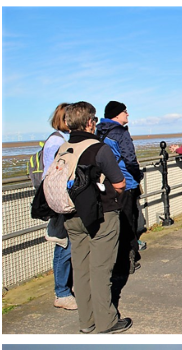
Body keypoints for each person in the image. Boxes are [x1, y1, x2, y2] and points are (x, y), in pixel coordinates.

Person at [62, 101, 132, 334]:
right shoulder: (98, 148)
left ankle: (86, 321)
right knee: (101, 269)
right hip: (101, 214)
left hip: (71, 214)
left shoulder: (63, 148)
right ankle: (107, 321)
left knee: (80, 269)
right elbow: (120, 182)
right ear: (91, 122)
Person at [96, 101, 144, 276]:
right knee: (128, 220)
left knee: (112, 221)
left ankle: (115, 258)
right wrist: (137, 176)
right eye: (125, 111)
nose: (128, 114)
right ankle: (129, 260)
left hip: (107, 183)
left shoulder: (99, 131)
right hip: (125, 182)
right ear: (116, 114)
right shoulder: (121, 133)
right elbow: (130, 158)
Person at [42, 103, 77, 311]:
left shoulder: (55, 140)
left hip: (57, 199)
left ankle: (65, 289)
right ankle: (62, 292)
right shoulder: (57, 142)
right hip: (59, 201)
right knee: (64, 245)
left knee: (66, 244)